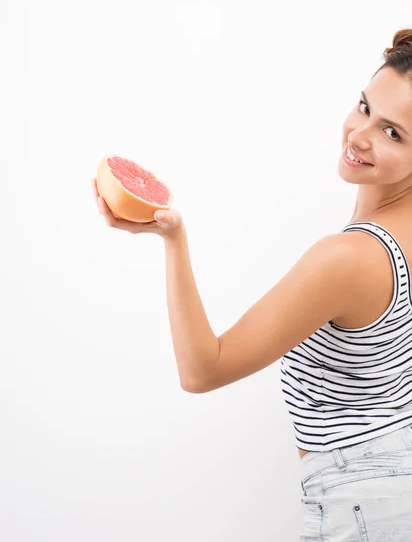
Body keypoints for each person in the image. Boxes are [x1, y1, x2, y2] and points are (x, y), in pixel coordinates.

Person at [92, 28, 412, 540]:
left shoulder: (350, 258)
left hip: (362, 504)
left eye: (393, 132)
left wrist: (173, 237)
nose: (358, 134)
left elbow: (202, 368)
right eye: (364, 107)